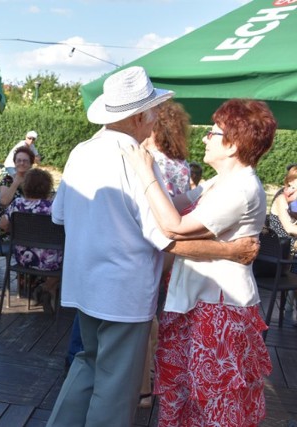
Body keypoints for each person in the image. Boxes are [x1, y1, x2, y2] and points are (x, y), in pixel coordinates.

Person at [47, 66, 261, 427]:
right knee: (116, 387)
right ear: (137, 116)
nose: (157, 118)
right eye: (153, 110)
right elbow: (167, 235)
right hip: (124, 291)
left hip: (84, 282)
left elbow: (60, 214)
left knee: (87, 363)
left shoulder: (82, 151)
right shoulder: (135, 157)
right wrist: (229, 250)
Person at [125, 99, 276, 426]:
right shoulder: (219, 182)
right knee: (187, 394)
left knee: (213, 402)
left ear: (233, 144)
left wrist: (144, 169)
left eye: (213, 132)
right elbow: (173, 207)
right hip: (200, 301)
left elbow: (173, 228)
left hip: (218, 305)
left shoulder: (241, 187)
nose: (205, 137)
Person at [138, 99, 192, 408]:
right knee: (157, 312)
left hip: (149, 242)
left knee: (144, 319)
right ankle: (157, 376)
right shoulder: (182, 163)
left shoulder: (150, 160)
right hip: (171, 246)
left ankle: (143, 387)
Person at [0, 168, 62, 313]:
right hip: (50, 262)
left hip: (23, 259)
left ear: (26, 185)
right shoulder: (53, 207)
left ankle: (48, 292)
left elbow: (2, 225)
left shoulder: (17, 204)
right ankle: (47, 288)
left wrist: (16, 230)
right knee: (71, 259)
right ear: (47, 187)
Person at [267, 164, 297, 325]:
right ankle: (291, 307)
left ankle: (291, 307)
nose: (290, 189)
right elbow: (290, 228)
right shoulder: (281, 198)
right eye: (291, 184)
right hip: (277, 259)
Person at [0, 145, 35, 213]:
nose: (22, 163)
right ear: (15, 163)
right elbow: (4, 202)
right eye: (18, 160)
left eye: (25, 161)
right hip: (10, 218)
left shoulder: (35, 181)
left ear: (31, 164)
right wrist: (16, 182)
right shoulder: (7, 180)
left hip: (31, 216)